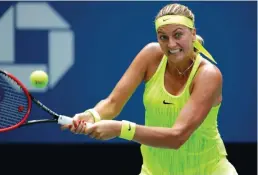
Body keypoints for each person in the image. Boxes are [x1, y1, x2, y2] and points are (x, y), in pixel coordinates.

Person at [62, 3, 238, 175]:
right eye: (163, 37)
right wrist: (92, 115)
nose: (171, 44)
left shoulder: (208, 75)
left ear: (193, 34)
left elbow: (177, 136)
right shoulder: (151, 56)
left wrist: (120, 129)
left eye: (178, 35)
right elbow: (113, 103)